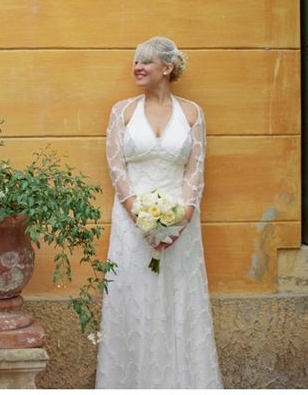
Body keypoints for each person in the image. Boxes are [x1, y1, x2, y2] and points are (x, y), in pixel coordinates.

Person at [96, 36, 223, 388]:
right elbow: (116, 164)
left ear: (167, 68)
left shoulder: (193, 113)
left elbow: (195, 170)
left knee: (177, 303)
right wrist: (139, 214)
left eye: (145, 61)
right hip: (130, 222)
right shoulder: (122, 111)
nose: (137, 66)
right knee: (133, 299)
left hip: (181, 222)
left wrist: (179, 220)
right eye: (135, 61)